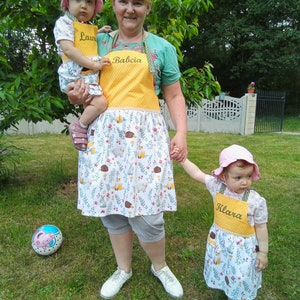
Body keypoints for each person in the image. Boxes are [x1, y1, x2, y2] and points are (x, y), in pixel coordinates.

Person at [67, 0, 188, 298]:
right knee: (112, 207)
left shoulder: (162, 48)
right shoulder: (95, 41)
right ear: (114, 6)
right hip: (105, 138)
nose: (130, 9)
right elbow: (76, 87)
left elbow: (173, 95)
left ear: (147, 8)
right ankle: (124, 268)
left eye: (138, 3)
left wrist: (181, 133)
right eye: (124, 2)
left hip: (146, 138)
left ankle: (159, 266)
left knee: (149, 211)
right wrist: (75, 94)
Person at [180, 144, 269, 300]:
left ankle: (237, 294)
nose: (245, 182)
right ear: (223, 176)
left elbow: (261, 227)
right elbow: (196, 173)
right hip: (220, 242)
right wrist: (182, 159)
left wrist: (263, 252)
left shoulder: (255, 201)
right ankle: (226, 285)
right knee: (222, 266)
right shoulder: (217, 187)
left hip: (242, 250)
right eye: (238, 177)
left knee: (240, 274)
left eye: (248, 176)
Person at [54, 0, 111, 151]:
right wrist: (94, 65)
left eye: (90, 2)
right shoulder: (64, 23)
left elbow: (82, 40)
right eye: (78, 0)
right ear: (67, 3)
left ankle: (89, 133)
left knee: (93, 106)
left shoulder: (85, 25)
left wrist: (97, 33)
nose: (84, 5)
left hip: (87, 75)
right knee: (100, 103)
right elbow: (69, 50)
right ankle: (79, 126)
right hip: (76, 76)